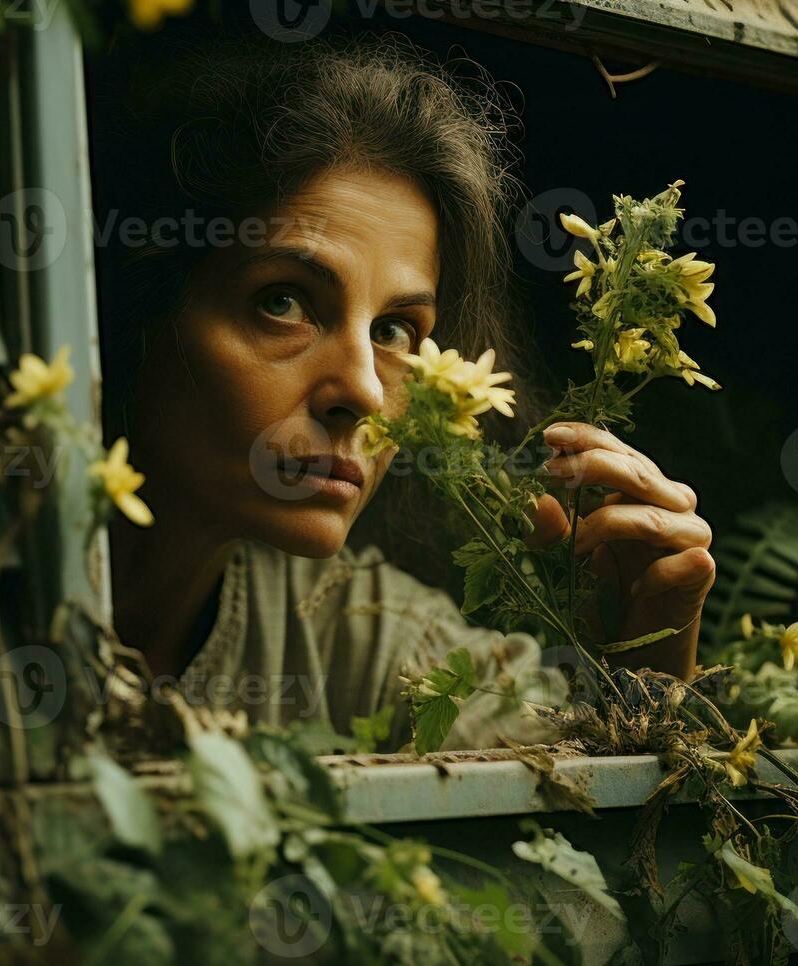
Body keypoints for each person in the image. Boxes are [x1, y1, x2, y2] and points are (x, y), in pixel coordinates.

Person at [88, 34, 713, 750]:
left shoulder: (355, 633)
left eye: (393, 330)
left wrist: (652, 644)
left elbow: (589, 769)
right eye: (283, 303)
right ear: (138, 310)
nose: (359, 390)